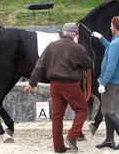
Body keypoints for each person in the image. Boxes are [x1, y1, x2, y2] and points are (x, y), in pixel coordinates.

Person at [24, 22, 92, 153]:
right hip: (71, 85)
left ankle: (59, 147)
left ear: (62, 31)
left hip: (54, 85)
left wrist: (31, 84)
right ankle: (72, 137)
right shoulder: (78, 48)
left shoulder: (51, 46)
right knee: (82, 109)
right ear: (75, 34)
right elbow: (87, 65)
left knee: (57, 117)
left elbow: (39, 66)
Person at [91, 16, 119, 150]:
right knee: (108, 110)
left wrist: (103, 83)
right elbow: (111, 48)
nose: (110, 27)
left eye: (111, 25)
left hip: (111, 83)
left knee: (106, 111)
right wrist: (101, 38)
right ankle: (109, 140)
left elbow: (111, 67)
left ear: (117, 27)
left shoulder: (116, 44)